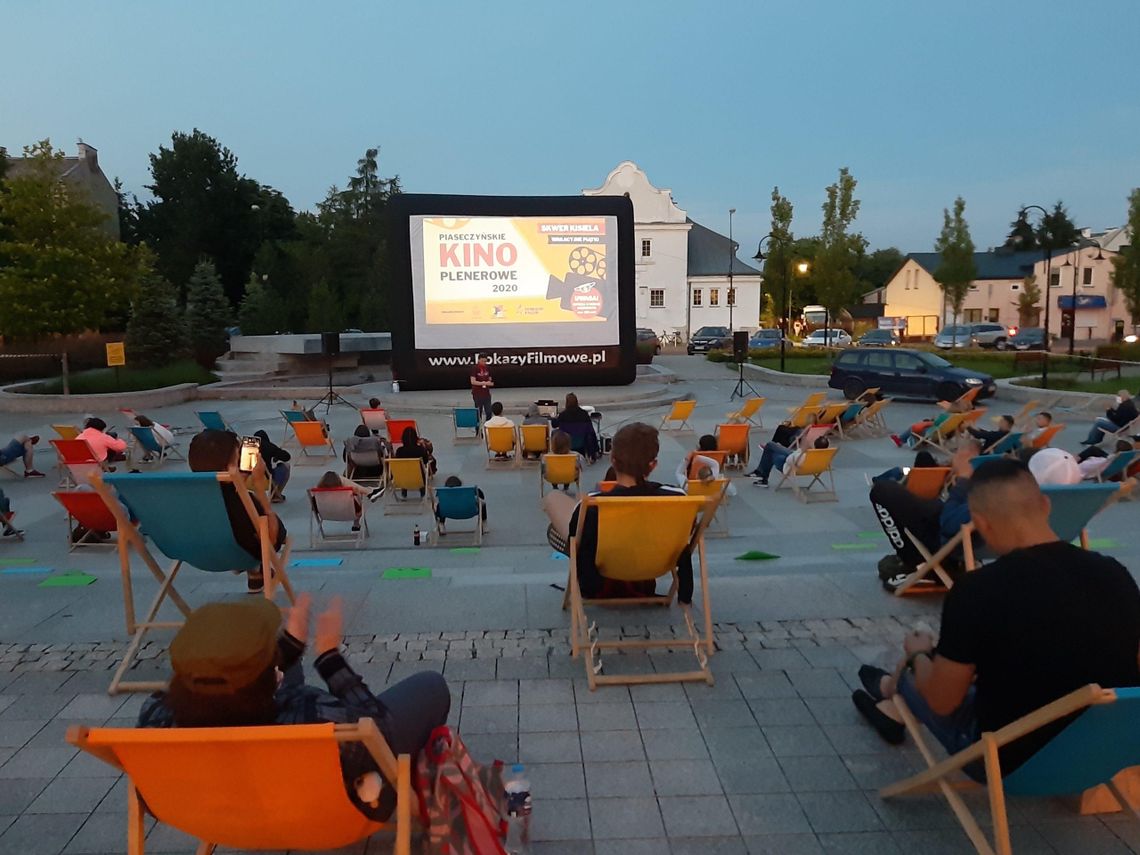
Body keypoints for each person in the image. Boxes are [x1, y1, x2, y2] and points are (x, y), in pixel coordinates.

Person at [850, 459, 1140, 776]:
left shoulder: (977, 590)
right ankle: (888, 703)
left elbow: (942, 703)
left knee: (921, 664)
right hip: (1106, 750)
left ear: (981, 524)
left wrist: (918, 653)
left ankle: (892, 691)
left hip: (1009, 760)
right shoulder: (1115, 573)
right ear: (1046, 505)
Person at [138, 594, 451, 822]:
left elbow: (231, 691)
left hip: (215, 811)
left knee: (293, 670)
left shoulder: (157, 715)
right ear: (265, 681)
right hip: (326, 812)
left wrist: (288, 649)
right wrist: (329, 658)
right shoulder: (308, 714)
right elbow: (380, 731)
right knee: (431, 686)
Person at [543, 422, 692, 600]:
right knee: (581, 512)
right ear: (653, 465)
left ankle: (566, 515)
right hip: (656, 564)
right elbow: (686, 535)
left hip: (605, 567)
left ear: (613, 460)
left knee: (554, 498)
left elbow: (577, 537)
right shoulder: (679, 499)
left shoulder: (594, 504)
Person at [870, 442, 979, 591]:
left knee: (881, 491)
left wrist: (963, 480)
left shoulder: (987, 505)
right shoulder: (1010, 498)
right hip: (962, 530)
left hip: (946, 538)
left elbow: (948, 524)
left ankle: (915, 563)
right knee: (918, 498)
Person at [188, 430, 287, 593]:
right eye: (237, 456)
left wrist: (238, 480)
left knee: (245, 528)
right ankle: (255, 569)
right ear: (229, 465)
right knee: (262, 524)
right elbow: (271, 539)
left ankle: (256, 574)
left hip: (198, 555)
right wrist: (258, 486)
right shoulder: (241, 501)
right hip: (242, 553)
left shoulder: (189, 496)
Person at [752, 435, 830, 487]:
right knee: (772, 447)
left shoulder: (806, 455)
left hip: (787, 466)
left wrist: (802, 451)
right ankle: (762, 476)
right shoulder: (825, 455)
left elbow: (789, 459)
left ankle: (763, 477)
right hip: (801, 462)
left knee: (771, 450)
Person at [314, 471, 381, 532]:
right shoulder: (346, 493)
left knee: (330, 476)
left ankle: (369, 492)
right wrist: (357, 493)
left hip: (325, 515)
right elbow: (358, 507)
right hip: (351, 513)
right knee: (356, 497)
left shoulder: (316, 493)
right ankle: (356, 524)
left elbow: (314, 508)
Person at [394, 425, 435, 497]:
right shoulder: (421, 450)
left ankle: (404, 490)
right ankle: (422, 490)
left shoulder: (399, 451)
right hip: (419, 479)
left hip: (403, 479)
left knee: (405, 469)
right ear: (416, 438)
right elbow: (425, 462)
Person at [253, 430, 293, 503]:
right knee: (286, 466)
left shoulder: (248, 448)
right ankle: (276, 495)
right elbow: (287, 457)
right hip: (266, 480)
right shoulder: (269, 447)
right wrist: (277, 452)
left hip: (248, 480)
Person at [872, 450, 938, 485]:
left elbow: (900, 483)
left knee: (896, 471)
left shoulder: (914, 472)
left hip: (908, 484)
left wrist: (906, 475)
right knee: (899, 470)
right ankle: (877, 479)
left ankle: (877, 480)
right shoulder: (939, 471)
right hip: (923, 481)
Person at [470, 355, 494, 424]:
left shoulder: (487, 368)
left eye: (485, 361)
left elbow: (490, 379)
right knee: (478, 413)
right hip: (477, 394)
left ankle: (487, 427)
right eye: (482, 361)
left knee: (489, 412)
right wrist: (483, 383)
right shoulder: (475, 368)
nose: (484, 363)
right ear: (479, 360)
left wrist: (489, 383)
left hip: (486, 394)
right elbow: (473, 381)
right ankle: (478, 431)